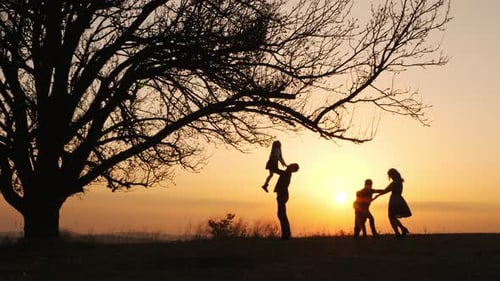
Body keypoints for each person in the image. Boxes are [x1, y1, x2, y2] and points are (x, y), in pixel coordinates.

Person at [374, 168, 412, 237]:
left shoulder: (395, 183)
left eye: (390, 175)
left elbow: (386, 190)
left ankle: (398, 232)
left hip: (394, 200)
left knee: (391, 216)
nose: (390, 177)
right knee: (393, 217)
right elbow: (386, 190)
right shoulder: (400, 182)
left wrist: (377, 194)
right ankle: (401, 229)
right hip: (399, 199)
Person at [274, 163, 299, 240]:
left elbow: (277, 170)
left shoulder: (286, 173)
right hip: (283, 194)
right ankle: (286, 235)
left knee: (282, 215)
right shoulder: (287, 173)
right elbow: (277, 171)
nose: (289, 165)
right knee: (281, 214)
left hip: (282, 194)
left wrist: (272, 165)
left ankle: (286, 235)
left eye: (291, 165)